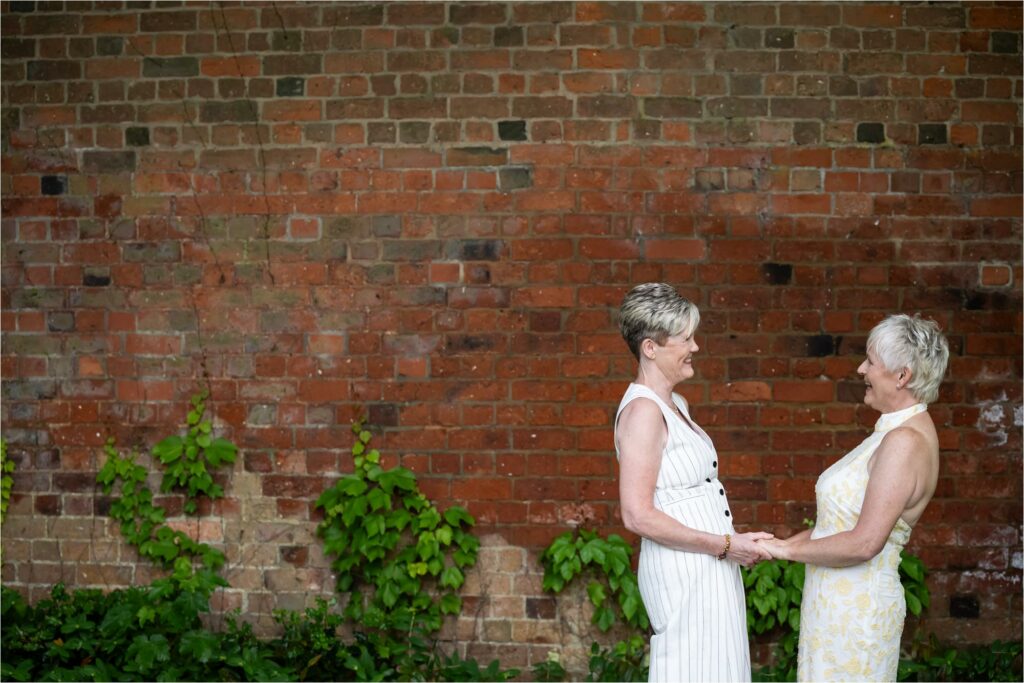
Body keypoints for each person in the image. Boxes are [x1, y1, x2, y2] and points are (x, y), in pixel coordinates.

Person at [758, 314, 950, 681]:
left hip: (858, 614)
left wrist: (786, 552)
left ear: (902, 376)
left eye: (871, 362)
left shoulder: (905, 442)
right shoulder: (891, 432)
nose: (861, 369)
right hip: (834, 609)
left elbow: (864, 542)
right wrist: (774, 545)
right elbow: (838, 526)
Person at [615, 283, 773, 683]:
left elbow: (690, 496)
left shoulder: (675, 405)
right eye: (684, 338)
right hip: (684, 571)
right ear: (651, 348)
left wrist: (732, 540)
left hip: (708, 564)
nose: (695, 347)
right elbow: (636, 514)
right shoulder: (643, 413)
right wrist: (723, 544)